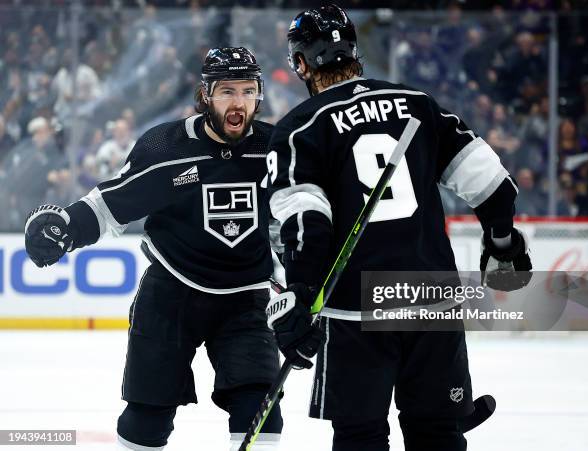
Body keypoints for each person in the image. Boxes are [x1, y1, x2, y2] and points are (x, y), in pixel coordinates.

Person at [264, 5, 532, 451]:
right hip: (431, 298)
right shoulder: (417, 104)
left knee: (360, 435)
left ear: (300, 63)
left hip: (355, 310)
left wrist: (300, 295)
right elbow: (492, 186)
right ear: (354, 49)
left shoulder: (299, 129)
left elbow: (307, 223)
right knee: (439, 433)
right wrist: (502, 242)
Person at [24, 47, 282, 451]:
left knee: (261, 415)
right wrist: (66, 227)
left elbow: (299, 213)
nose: (238, 102)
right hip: (171, 297)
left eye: (248, 91)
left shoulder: (274, 148)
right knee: (147, 418)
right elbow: (111, 204)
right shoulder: (166, 148)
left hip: (244, 301)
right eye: (227, 91)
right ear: (205, 95)